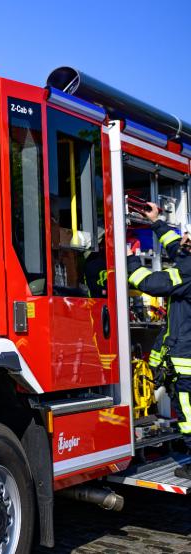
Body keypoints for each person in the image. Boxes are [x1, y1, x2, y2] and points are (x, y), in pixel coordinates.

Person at [127, 203, 191, 479]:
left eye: (187, 237)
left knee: (188, 415)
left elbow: (151, 283)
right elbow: (177, 248)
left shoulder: (187, 271)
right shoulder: (188, 261)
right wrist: (156, 222)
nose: (183, 239)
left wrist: (128, 259)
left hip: (186, 362)